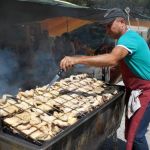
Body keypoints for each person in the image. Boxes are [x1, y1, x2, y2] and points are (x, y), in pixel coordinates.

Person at [60, 8, 150, 150]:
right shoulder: (123, 40)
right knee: (131, 132)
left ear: (121, 22)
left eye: (109, 25)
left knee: (137, 136)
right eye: (105, 26)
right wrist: (110, 85)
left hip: (146, 92)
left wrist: (77, 59)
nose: (106, 30)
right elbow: (121, 67)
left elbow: (112, 59)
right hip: (136, 92)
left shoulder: (129, 38)